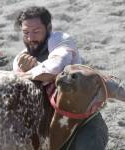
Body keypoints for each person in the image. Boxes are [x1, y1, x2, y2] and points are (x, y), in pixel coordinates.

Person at [13, 6, 125, 150]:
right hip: (47, 126)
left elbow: (55, 68)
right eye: (26, 32)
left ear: (48, 28)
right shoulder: (19, 60)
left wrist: (31, 71)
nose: (30, 38)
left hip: (84, 122)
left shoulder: (60, 40)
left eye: (36, 31)